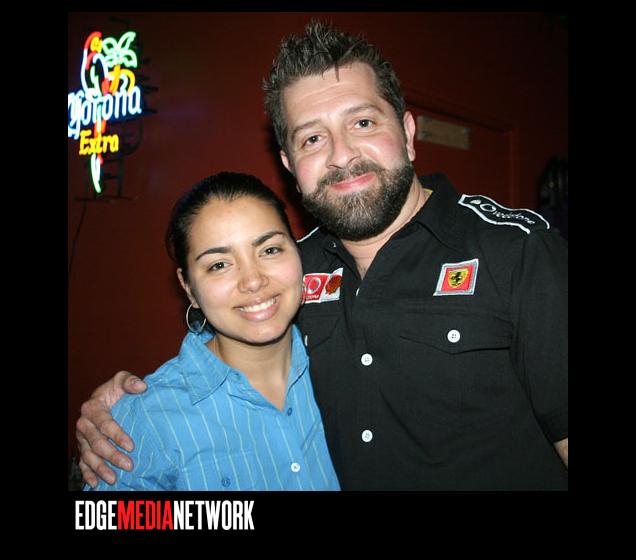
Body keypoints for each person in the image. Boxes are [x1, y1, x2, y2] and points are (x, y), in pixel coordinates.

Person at [76, 21, 568, 490]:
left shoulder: (517, 252)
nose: (341, 154)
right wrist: (127, 409)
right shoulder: (292, 266)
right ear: (290, 165)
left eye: (362, 122)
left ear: (407, 132)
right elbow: (235, 332)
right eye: (312, 138)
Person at [85, 171, 340, 490]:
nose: (253, 280)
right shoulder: (146, 419)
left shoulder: (346, 355)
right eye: (219, 265)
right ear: (188, 287)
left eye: (270, 250)